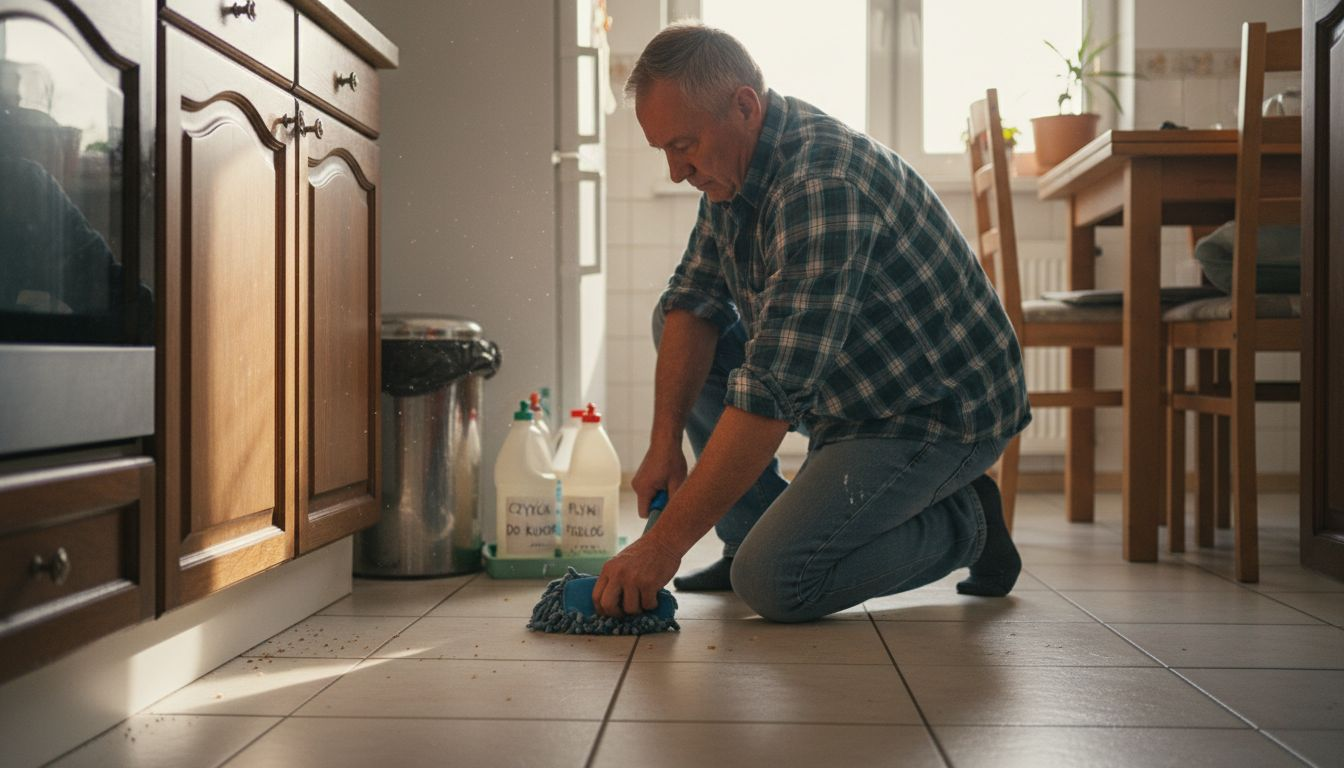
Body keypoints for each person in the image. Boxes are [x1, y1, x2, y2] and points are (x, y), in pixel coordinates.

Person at [591, 24, 1030, 622]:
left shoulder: (820, 184)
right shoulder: (732, 173)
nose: (675, 171)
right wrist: (663, 445)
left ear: (745, 105)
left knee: (776, 582)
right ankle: (748, 536)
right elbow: (694, 301)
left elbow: (771, 389)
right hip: (855, 392)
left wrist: (662, 546)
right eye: (664, 150)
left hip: (936, 412)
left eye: (683, 145)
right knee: (675, 323)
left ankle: (968, 523)